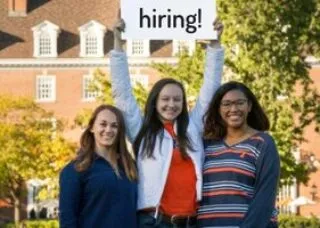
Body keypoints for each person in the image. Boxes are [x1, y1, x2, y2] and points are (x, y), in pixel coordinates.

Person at [110, 19, 224, 228]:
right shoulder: (142, 131)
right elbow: (122, 95)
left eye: (177, 99)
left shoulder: (193, 127)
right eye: (165, 99)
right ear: (155, 102)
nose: (171, 104)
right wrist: (118, 44)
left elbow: (211, 89)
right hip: (155, 222)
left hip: (191, 222)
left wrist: (215, 46)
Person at [198, 81, 280, 228]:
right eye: (227, 104)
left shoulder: (263, 142)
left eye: (239, 103)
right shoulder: (206, 145)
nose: (233, 109)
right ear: (218, 109)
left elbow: (265, 196)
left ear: (249, 106)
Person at [59, 105, 138, 228]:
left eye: (114, 125)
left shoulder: (130, 166)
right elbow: (67, 220)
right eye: (103, 124)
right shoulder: (75, 169)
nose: (108, 130)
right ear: (91, 127)